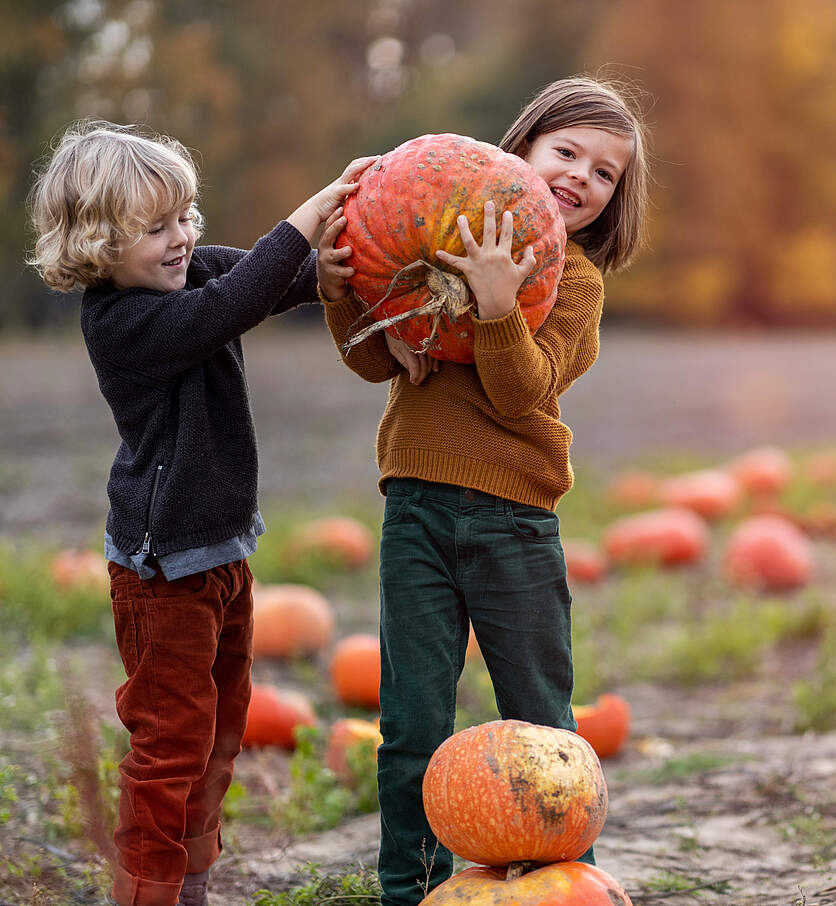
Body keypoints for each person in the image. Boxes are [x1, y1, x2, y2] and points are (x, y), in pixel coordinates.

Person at [316, 75, 651, 905]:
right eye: (565, 152)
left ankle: (568, 881)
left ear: (614, 199)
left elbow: (522, 392)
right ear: (524, 148)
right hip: (417, 513)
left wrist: (499, 309)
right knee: (410, 726)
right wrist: (335, 290)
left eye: (604, 172)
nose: (580, 176)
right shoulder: (437, 235)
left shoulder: (573, 283)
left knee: (543, 719)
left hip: (515, 523)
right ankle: (412, 888)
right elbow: (371, 358)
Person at [26, 119, 377, 906]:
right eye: (156, 227)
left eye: (185, 215)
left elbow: (259, 277)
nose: (182, 237)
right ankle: (148, 889)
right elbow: (235, 302)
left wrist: (328, 269)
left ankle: (192, 881)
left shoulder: (181, 280)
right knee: (169, 745)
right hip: (163, 578)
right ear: (98, 246)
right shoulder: (123, 323)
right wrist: (310, 213)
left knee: (223, 731)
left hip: (220, 557)